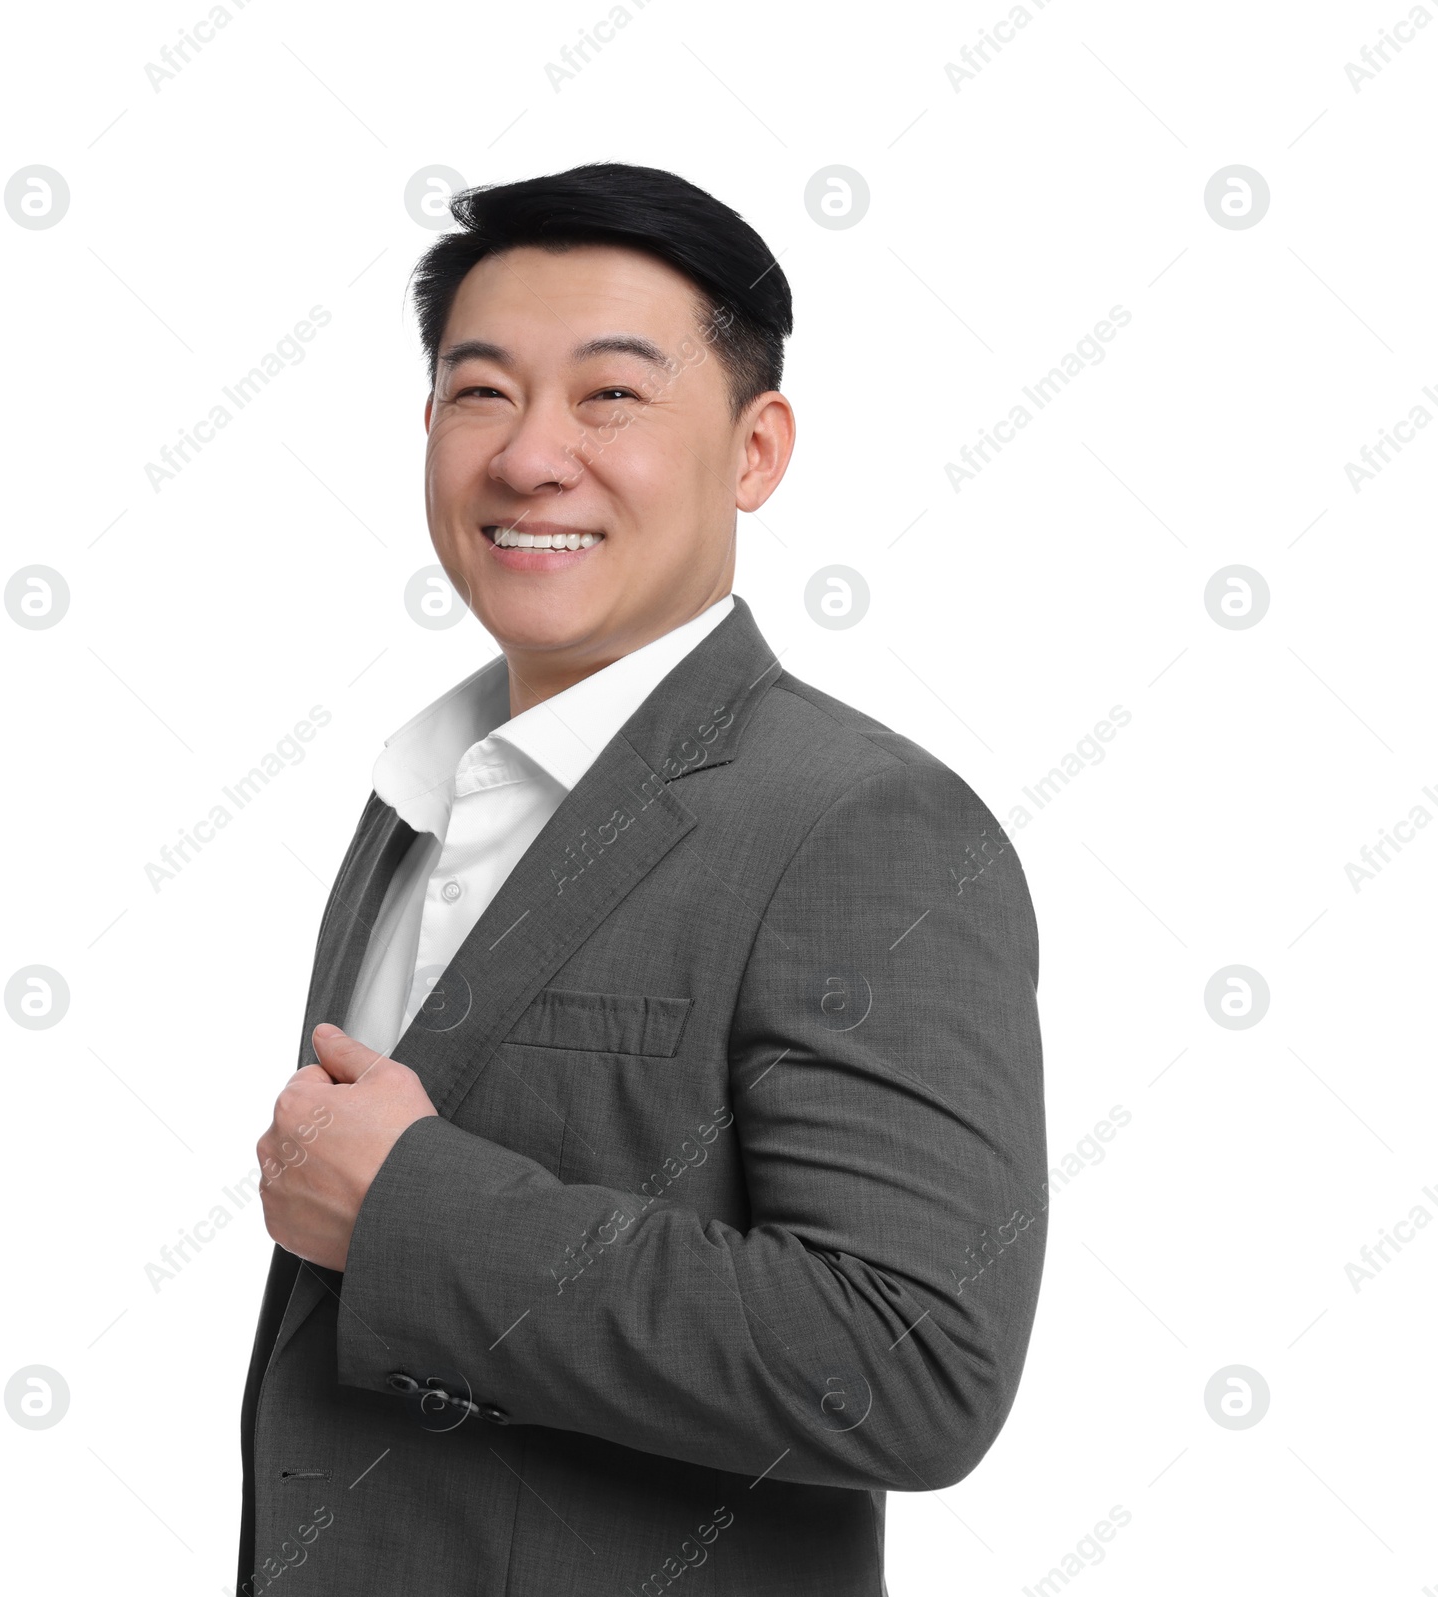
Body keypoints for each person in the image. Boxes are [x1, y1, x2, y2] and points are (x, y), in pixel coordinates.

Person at [238, 160, 1047, 1597]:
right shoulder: (419, 793)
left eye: (612, 395)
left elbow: (914, 1360)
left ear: (754, 450)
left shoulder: (865, 823)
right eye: (479, 391)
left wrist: (411, 1208)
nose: (531, 454)